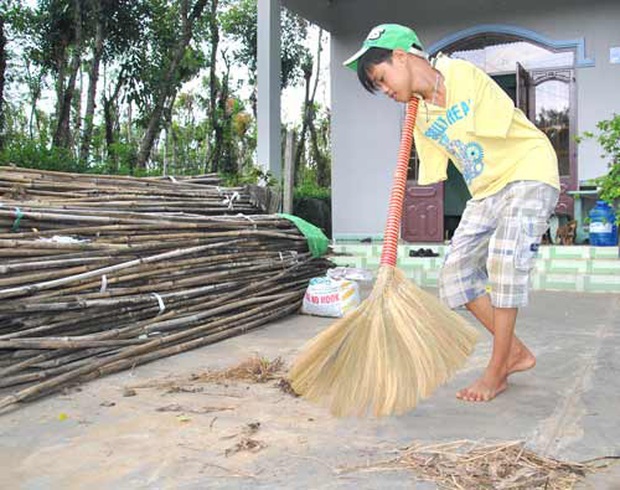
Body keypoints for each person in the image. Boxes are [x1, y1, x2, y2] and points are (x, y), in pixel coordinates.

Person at [344, 24, 560, 402]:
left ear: (402, 56)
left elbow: (486, 126)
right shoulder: (419, 118)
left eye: (383, 79)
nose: (386, 90)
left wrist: (433, 99)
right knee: (455, 276)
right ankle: (515, 351)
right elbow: (432, 176)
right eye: (379, 87)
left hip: (528, 169)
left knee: (505, 259)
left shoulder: (462, 73)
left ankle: (497, 370)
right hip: (486, 190)